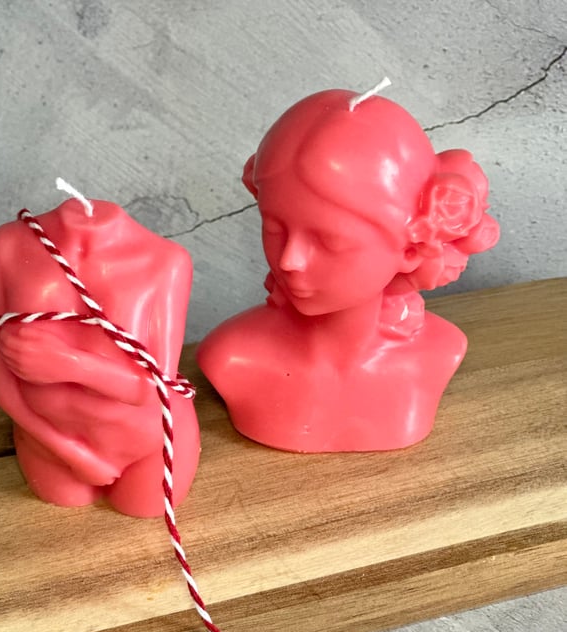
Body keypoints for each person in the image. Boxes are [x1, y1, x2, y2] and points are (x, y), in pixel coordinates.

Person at [197, 89, 499, 452]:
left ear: (410, 248)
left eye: (330, 241)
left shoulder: (442, 350)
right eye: (274, 228)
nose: (290, 260)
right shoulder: (231, 358)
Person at [0, 197, 199, 517]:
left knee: (143, 515)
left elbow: (155, 388)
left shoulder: (166, 261)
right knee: (61, 521)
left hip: (149, 442)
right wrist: (74, 454)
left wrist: (68, 364)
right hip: (47, 443)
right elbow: (2, 385)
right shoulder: (7, 247)